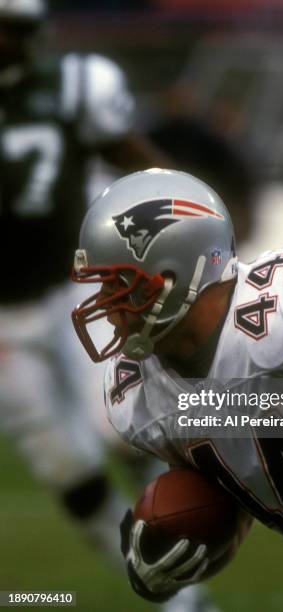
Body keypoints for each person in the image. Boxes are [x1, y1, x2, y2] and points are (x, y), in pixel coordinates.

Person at [71, 167, 283, 611]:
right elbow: (243, 493)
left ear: (175, 275)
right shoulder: (138, 396)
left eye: (119, 287)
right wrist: (178, 551)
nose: (107, 309)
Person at [0, 0, 170, 572]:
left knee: (119, 424)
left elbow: (130, 157)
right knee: (64, 465)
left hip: (72, 289)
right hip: (2, 317)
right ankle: (151, 575)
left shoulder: (74, 86)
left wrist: (181, 209)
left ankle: (175, 529)